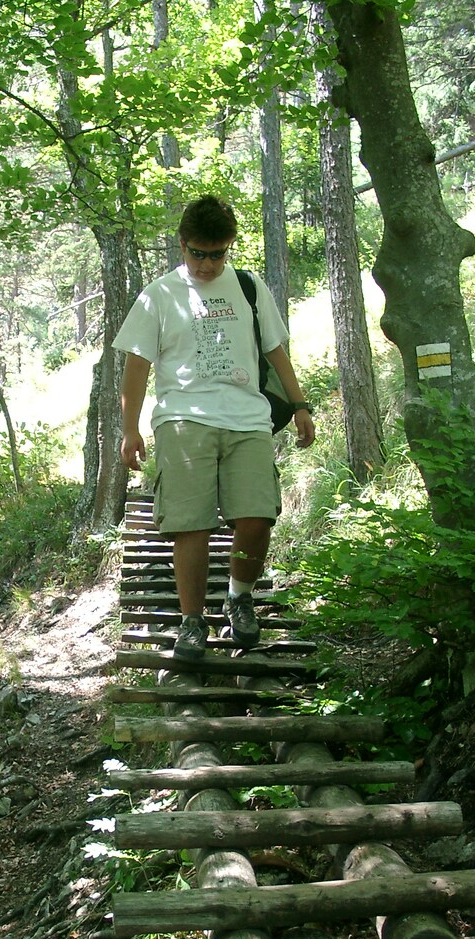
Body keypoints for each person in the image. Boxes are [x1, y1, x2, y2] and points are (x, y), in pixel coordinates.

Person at [114, 194, 315, 661]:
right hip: (182, 419)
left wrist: (300, 404)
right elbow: (136, 367)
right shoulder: (159, 295)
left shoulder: (248, 286)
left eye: (217, 253)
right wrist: (130, 429)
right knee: (191, 525)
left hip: (248, 416)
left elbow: (275, 349)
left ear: (229, 247)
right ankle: (192, 621)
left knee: (257, 516)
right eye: (197, 253)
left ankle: (239, 598)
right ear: (182, 244)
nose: (206, 264)